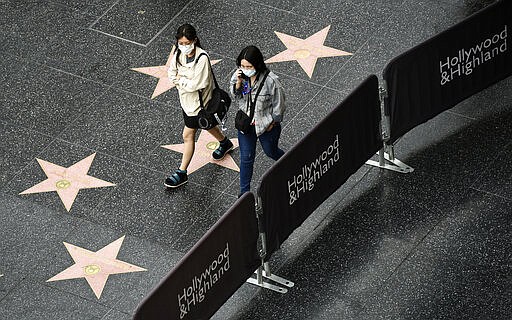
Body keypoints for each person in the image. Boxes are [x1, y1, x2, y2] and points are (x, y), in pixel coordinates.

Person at [165, 24, 234, 188]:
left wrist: (180, 81)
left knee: (187, 135)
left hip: (199, 106)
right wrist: (183, 81)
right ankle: (225, 143)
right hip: (186, 104)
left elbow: (197, 84)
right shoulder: (178, 54)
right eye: (180, 43)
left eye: (186, 43)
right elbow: (171, 74)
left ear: (194, 40)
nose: (184, 47)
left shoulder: (202, 58)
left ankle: (182, 172)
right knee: (206, 125)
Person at [230, 45, 286, 196]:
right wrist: (239, 83)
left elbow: (279, 104)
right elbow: (236, 96)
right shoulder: (239, 76)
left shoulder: (271, 80)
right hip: (247, 126)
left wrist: (273, 122)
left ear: (257, 64)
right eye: (242, 66)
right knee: (246, 158)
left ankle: (288, 163)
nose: (245, 68)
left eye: (249, 66)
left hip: (266, 126)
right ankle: (244, 193)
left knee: (271, 151)